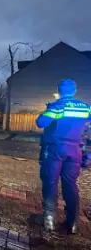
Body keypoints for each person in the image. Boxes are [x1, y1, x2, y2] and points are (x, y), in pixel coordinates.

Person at [36, 79, 91, 234]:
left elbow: (41, 122)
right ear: (75, 91)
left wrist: (47, 110)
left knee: (50, 182)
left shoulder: (58, 106)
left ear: (59, 91)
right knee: (71, 185)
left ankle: (50, 220)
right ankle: (72, 223)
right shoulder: (86, 107)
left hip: (55, 149)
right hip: (75, 150)